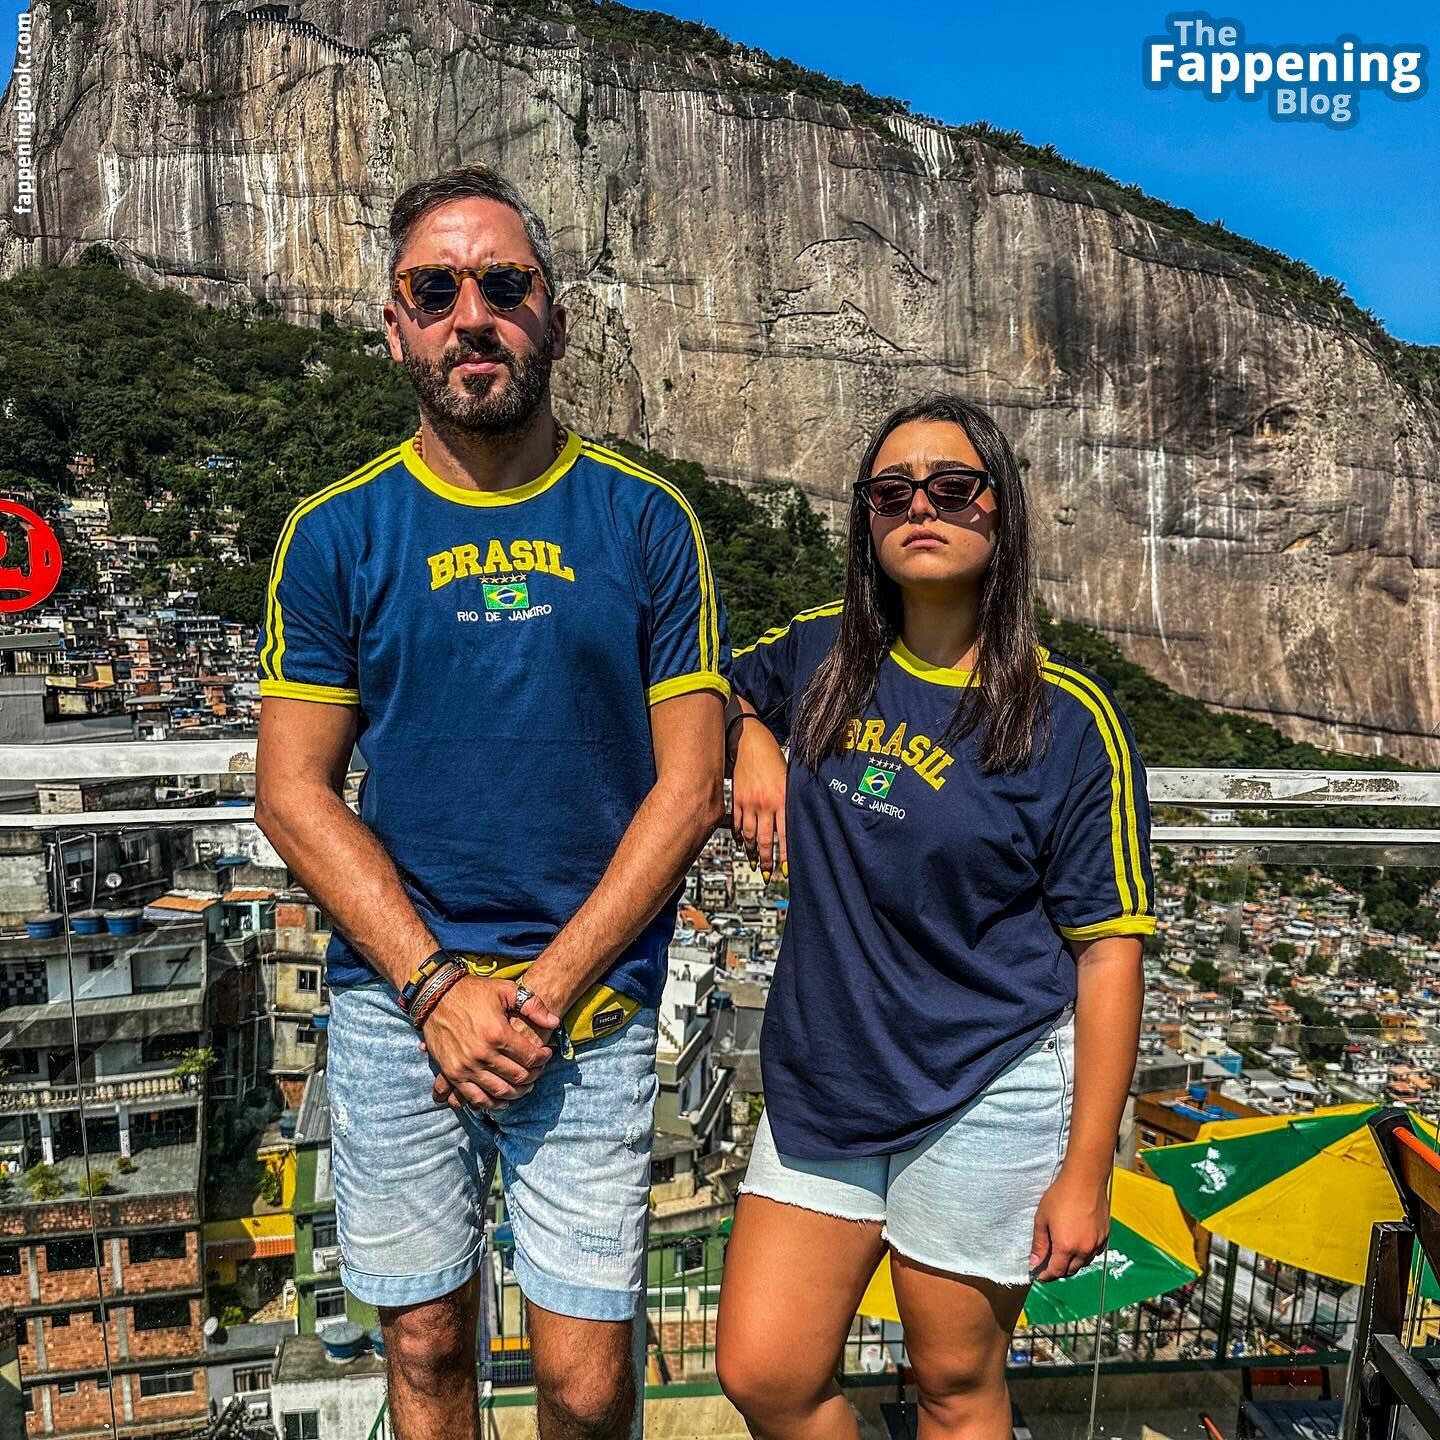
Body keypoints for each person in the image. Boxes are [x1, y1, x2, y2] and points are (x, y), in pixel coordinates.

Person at [253, 163, 730, 1440]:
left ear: (552, 320)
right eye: (436, 290)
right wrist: (433, 989)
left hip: (593, 1006)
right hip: (397, 1003)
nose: (473, 316)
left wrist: (546, 991)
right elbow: (290, 790)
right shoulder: (336, 533)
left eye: (504, 285)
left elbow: (691, 783)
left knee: (587, 1381)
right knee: (423, 1349)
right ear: (396, 326)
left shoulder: (648, 522)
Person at [714, 394, 1155, 1440]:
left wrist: (1087, 1166)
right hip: (829, 1078)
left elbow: (1109, 953)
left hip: (983, 1084)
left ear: (1001, 510)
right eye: (892, 492)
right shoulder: (821, 656)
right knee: (764, 1371)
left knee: (955, 1387)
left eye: (953, 487)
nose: (922, 506)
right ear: (866, 519)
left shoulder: (1067, 720)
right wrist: (749, 734)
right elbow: (708, 684)